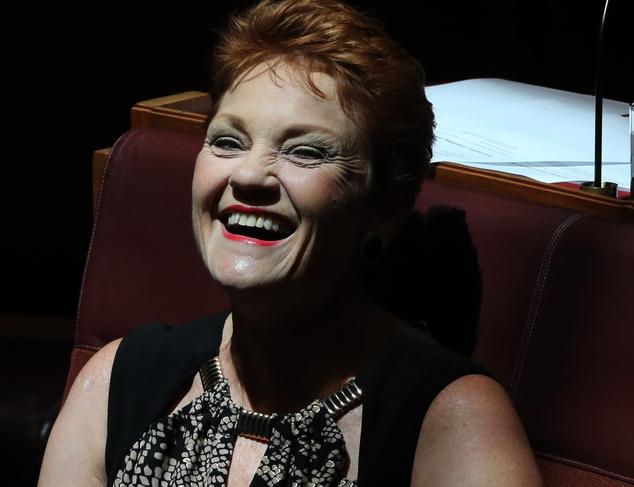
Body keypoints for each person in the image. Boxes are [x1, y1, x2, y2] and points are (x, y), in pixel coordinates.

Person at [38, 0, 543, 485]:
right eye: (228, 141)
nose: (250, 175)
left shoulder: (453, 421)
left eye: (305, 152)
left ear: (387, 205)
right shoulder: (115, 381)